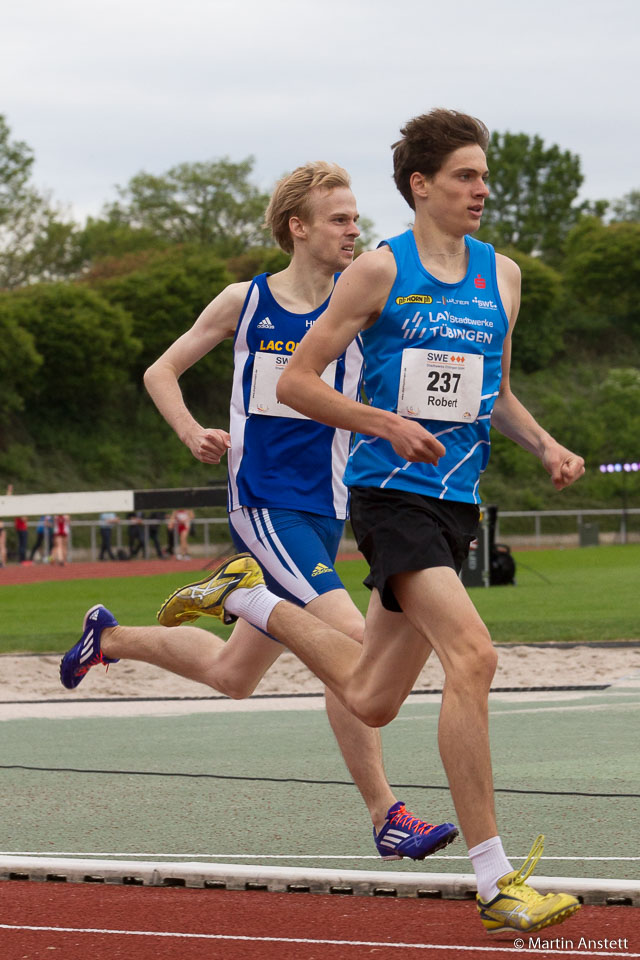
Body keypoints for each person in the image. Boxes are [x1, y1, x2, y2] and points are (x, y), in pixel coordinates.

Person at [143, 113, 587, 936]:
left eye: (484, 176)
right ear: (421, 186)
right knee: (474, 656)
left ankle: (250, 600)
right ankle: (494, 879)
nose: (481, 189)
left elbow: (492, 391)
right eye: (464, 176)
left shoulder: (505, 277)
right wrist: (382, 425)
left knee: (372, 697)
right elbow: (301, 383)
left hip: (456, 502)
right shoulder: (380, 271)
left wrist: (546, 443)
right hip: (389, 496)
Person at [59, 161, 457, 863]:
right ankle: (385, 814)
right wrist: (191, 431)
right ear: (297, 228)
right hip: (264, 505)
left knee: (232, 677)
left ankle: (110, 640)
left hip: (326, 510)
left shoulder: (357, 309)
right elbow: (161, 370)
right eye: (339, 219)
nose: (354, 229)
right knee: (356, 658)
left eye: (357, 218)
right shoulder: (244, 301)